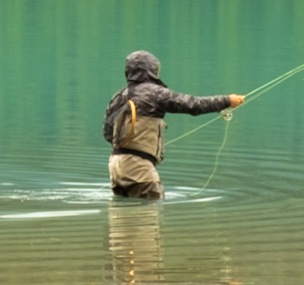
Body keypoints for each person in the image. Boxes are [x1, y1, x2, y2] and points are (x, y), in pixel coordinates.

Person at [103, 50, 244, 200]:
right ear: (151, 70)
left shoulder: (118, 97)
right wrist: (227, 101)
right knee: (150, 214)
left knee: (122, 219)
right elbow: (192, 105)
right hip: (139, 169)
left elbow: (107, 133)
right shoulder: (154, 93)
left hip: (116, 165)